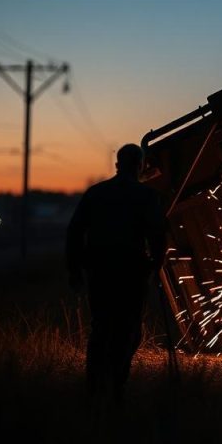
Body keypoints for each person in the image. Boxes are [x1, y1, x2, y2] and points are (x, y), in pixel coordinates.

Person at [66, 144, 167, 405]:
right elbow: (157, 234)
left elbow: (74, 232)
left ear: (117, 166)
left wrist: (75, 269)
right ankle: (116, 385)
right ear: (141, 167)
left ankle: (94, 387)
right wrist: (156, 264)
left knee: (100, 326)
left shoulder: (96, 193)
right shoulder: (146, 196)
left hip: (99, 271)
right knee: (128, 328)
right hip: (131, 273)